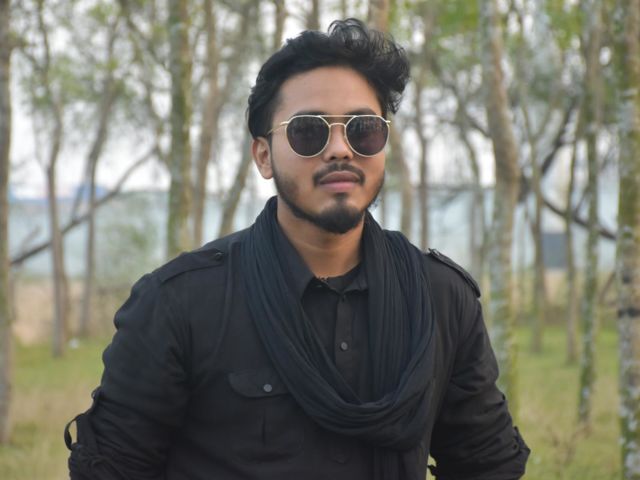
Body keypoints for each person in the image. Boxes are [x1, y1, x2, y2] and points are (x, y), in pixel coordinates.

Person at [65, 18, 529, 480]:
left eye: (363, 129)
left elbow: (487, 464)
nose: (340, 149)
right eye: (309, 131)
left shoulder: (440, 299)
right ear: (263, 156)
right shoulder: (179, 304)